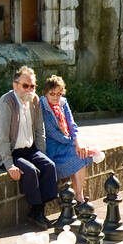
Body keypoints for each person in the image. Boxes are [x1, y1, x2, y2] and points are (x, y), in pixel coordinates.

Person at [0, 64, 58, 230]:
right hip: (11, 152)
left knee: (49, 166)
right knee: (31, 171)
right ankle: (35, 212)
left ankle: (39, 211)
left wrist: (42, 154)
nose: (29, 89)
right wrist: (9, 164)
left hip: (29, 148)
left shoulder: (34, 100)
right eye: (25, 85)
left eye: (32, 86)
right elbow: (2, 137)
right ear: (15, 85)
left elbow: (39, 130)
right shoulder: (7, 103)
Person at [40, 75, 104, 204]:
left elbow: (72, 124)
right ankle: (78, 197)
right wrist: (74, 144)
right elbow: (52, 133)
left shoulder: (63, 103)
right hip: (52, 146)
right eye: (52, 94)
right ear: (46, 93)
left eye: (59, 94)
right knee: (78, 153)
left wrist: (78, 141)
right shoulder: (42, 106)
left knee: (81, 152)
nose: (56, 97)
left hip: (66, 141)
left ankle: (78, 194)